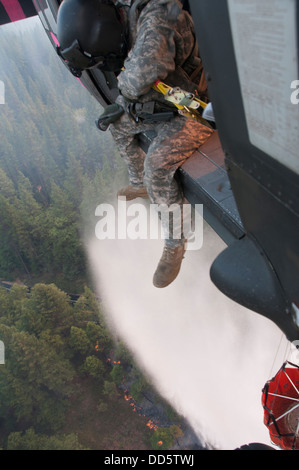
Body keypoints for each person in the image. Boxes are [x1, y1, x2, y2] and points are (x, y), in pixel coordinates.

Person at [56, 0, 214, 288]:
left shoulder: (156, 17)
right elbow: (139, 78)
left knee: (157, 164)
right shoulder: (125, 19)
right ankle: (139, 182)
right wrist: (123, 106)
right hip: (168, 97)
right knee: (118, 126)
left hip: (198, 106)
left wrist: (123, 99)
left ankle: (175, 242)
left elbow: (144, 72)